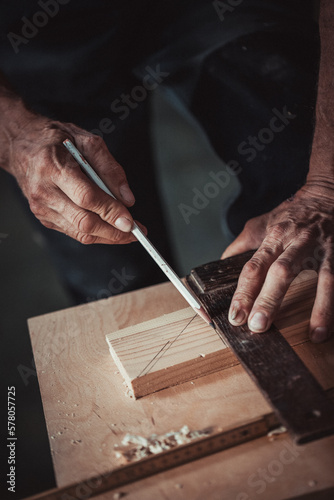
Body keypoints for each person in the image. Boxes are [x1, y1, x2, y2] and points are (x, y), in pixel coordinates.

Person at [0, 0, 332, 343]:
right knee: (104, 262)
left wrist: (325, 185)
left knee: (293, 170)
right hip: (38, 33)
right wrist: (16, 137)